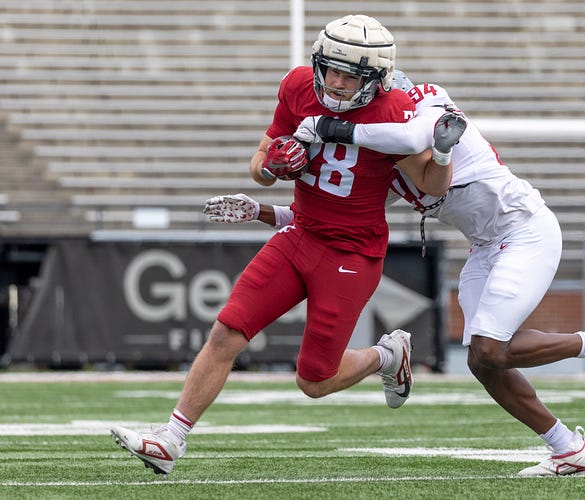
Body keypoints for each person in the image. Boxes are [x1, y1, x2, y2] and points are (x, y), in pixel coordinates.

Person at [206, 70, 585, 477]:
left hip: (525, 230)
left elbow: (414, 135)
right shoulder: (387, 157)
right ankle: (568, 448)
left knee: (490, 349)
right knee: (483, 361)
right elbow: (330, 216)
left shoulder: (424, 103)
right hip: (485, 245)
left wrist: (328, 127)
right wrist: (260, 211)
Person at [110, 15, 458, 476]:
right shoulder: (298, 86)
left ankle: (388, 355)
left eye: (349, 75)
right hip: (300, 235)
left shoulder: (393, 110)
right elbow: (259, 163)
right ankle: (171, 439)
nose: (335, 82)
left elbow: (432, 185)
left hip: (352, 253)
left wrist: (443, 152)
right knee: (227, 331)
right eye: (330, 69)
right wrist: (272, 165)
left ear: (376, 79)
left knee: (314, 380)